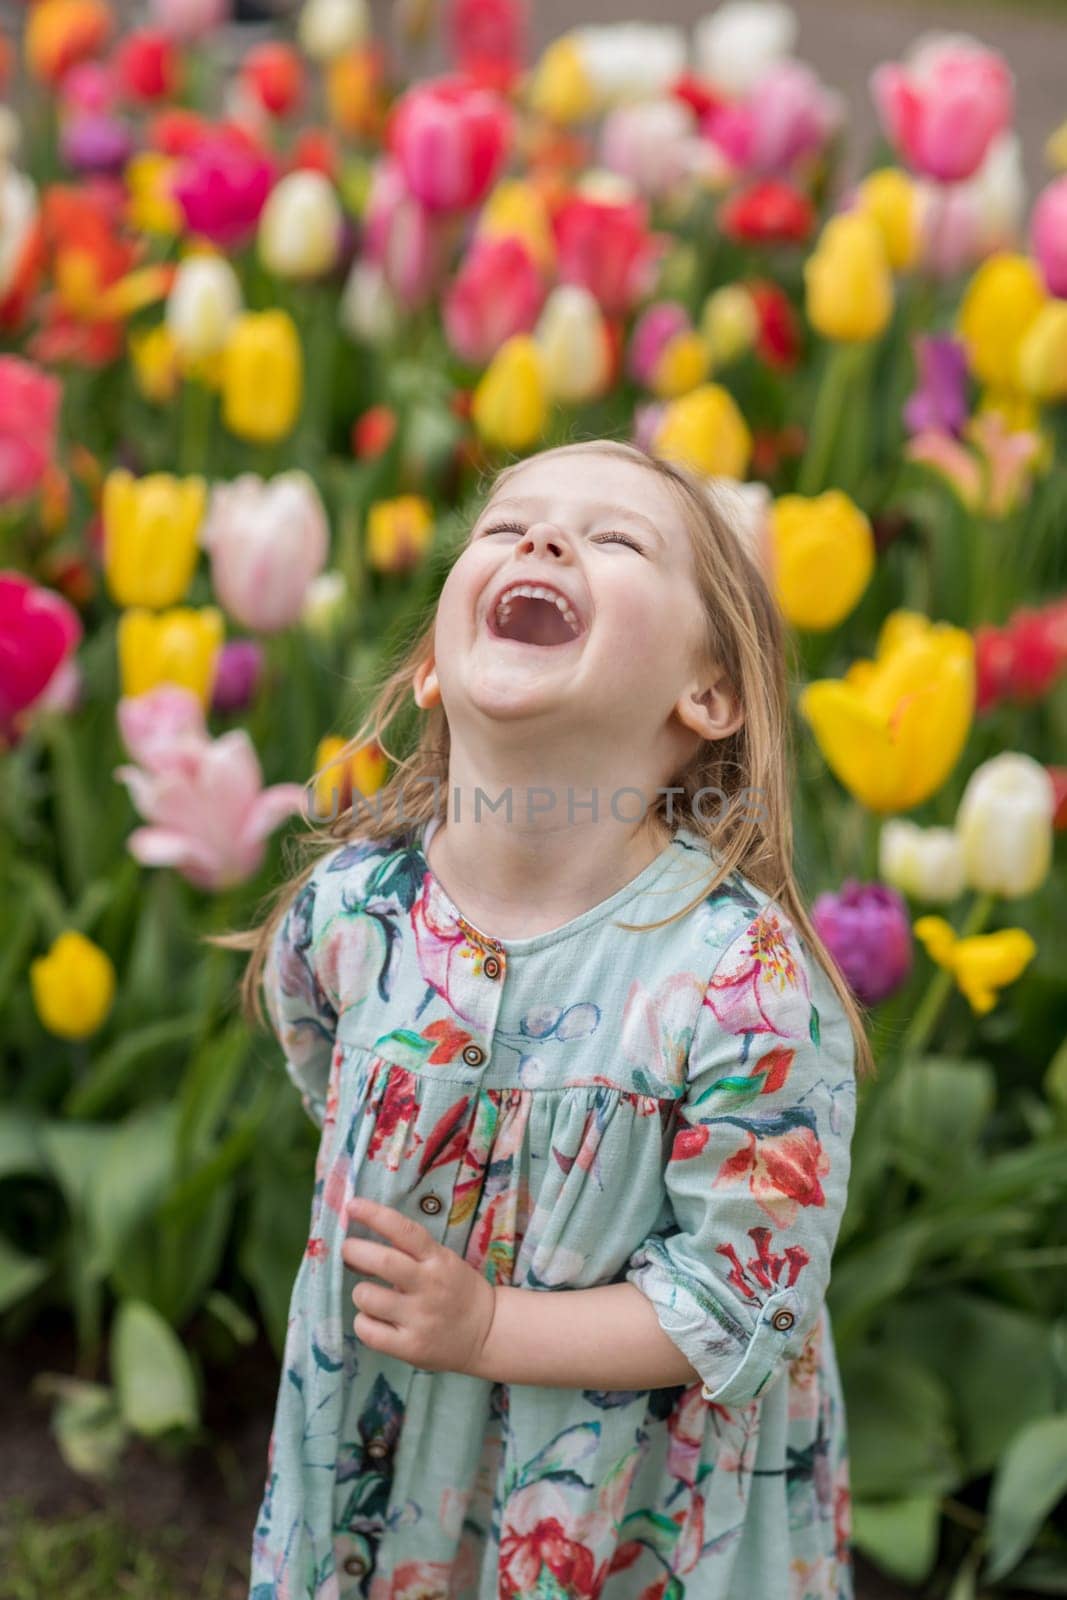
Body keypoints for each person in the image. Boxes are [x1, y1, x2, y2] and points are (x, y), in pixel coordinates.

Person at [228, 437, 874, 1599]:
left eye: (615, 538)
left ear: (708, 694)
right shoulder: (351, 915)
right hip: (381, 1451)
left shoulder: (737, 982)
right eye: (503, 526)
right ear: (432, 664)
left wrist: (485, 1328)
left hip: (615, 1506)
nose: (538, 539)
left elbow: (743, 1298)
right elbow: (324, 1062)